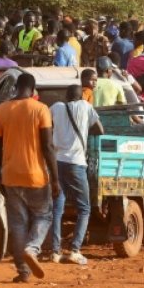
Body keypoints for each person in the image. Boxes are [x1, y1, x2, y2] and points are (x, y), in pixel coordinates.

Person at [0, 73, 59, 282]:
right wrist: (55, 178)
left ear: (16, 87)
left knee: (18, 223)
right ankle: (32, 248)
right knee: (44, 215)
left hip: (10, 175)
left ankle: (23, 271)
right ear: (33, 89)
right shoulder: (40, 109)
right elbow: (47, 146)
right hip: (36, 175)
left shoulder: (1, 110)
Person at [48, 85, 103, 265]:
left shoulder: (56, 107)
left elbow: (47, 127)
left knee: (57, 207)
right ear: (81, 97)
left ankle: (55, 251)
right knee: (84, 208)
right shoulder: (86, 107)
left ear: (66, 96)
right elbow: (100, 129)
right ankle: (75, 250)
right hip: (76, 162)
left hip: (57, 162)